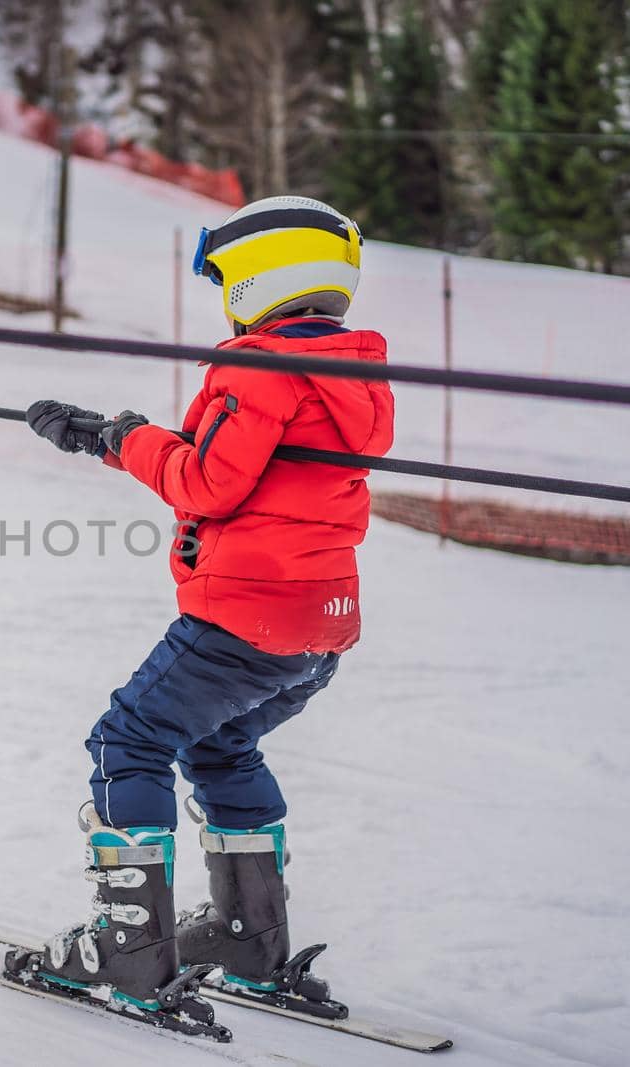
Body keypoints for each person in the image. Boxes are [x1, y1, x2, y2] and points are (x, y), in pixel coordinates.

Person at [21, 195, 395, 1017]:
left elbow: (205, 481)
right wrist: (115, 436)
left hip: (242, 617)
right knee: (223, 747)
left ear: (260, 274)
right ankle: (245, 937)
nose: (226, 295)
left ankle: (128, 952)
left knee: (130, 739)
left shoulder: (259, 365)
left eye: (227, 276)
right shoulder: (354, 375)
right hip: (318, 628)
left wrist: (119, 438)